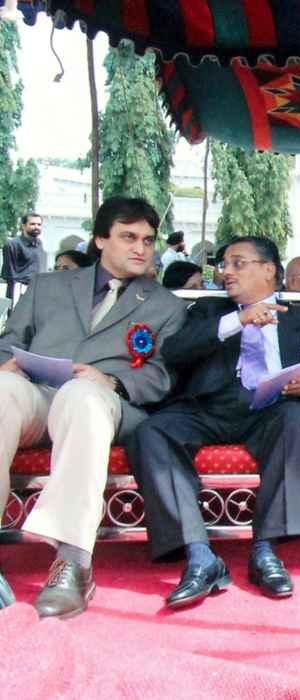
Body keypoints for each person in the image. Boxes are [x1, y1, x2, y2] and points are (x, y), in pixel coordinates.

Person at [127, 236, 300, 609]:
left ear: (268, 270)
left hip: (269, 408)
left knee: (296, 418)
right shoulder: (207, 310)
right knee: (151, 432)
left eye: (238, 263)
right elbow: (175, 351)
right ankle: (200, 555)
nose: (226, 272)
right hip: (207, 408)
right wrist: (238, 320)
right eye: (224, 265)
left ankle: (265, 550)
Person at [0, 197, 188, 618]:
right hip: (39, 393)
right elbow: (7, 343)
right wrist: (6, 363)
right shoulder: (47, 286)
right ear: (101, 239)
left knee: (82, 395)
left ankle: (73, 563)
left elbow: (165, 375)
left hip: (106, 402)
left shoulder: (167, 306)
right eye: (128, 237)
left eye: (148, 240)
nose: (141, 248)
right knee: (1, 389)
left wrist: (113, 380)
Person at [2, 212, 47, 299]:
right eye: (32, 224)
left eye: (39, 224)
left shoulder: (39, 244)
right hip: (18, 291)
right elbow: (9, 274)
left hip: (37, 290)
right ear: (23, 226)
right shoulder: (12, 245)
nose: (36, 227)